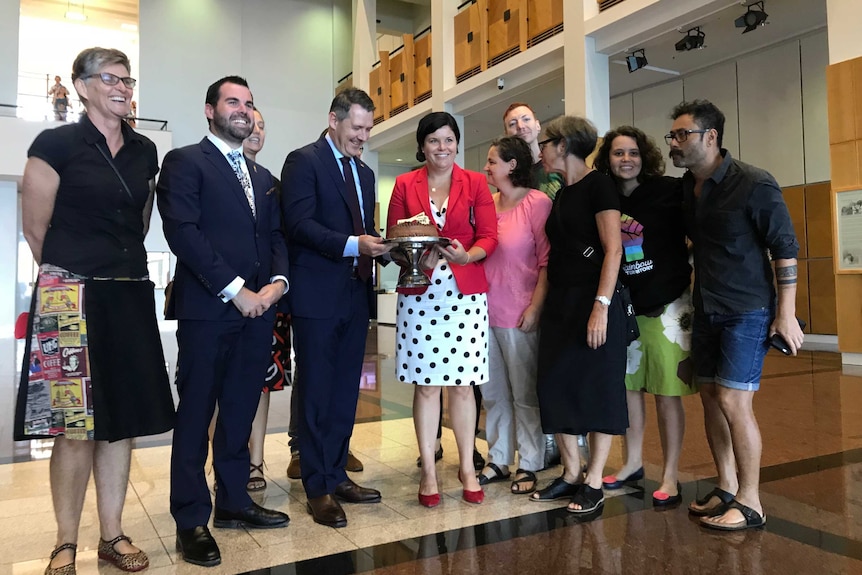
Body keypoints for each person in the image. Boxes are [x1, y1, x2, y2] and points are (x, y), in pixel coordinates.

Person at [15, 47, 175, 575]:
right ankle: (65, 541)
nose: (123, 88)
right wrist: (70, 277)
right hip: (69, 294)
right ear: (81, 87)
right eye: (110, 79)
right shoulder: (54, 144)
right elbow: (36, 229)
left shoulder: (145, 150)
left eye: (128, 80)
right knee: (73, 425)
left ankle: (113, 534)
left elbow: (140, 220)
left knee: (120, 422)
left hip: (128, 292)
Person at [157, 75, 290, 567]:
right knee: (196, 415)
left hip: (259, 313)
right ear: (210, 110)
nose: (244, 110)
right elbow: (184, 234)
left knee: (238, 409)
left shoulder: (262, 177)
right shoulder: (186, 162)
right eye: (233, 101)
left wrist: (276, 286)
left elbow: (276, 236)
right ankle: (191, 519)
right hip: (210, 311)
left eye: (250, 103)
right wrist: (238, 292)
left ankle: (234, 501)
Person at [668, 99, 803, 531]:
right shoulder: (689, 188)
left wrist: (787, 314)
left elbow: (784, 249)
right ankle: (727, 486)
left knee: (732, 399)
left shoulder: (754, 183)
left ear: (711, 137)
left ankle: (751, 501)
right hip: (706, 306)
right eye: (672, 135)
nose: (674, 142)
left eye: (682, 134)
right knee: (709, 395)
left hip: (748, 308)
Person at [281, 87, 390, 528]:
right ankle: (316, 486)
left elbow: (364, 230)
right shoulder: (303, 161)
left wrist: (383, 249)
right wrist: (353, 245)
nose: (363, 136)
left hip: (354, 294)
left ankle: (337, 472)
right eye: (357, 127)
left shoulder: (363, 173)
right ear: (334, 119)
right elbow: (300, 225)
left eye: (368, 129)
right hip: (316, 295)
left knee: (347, 390)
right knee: (316, 390)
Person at [387, 111, 498, 507]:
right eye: (434, 141)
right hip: (421, 293)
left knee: (464, 385)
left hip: (464, 294)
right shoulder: (404, 183)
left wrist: (468, 257)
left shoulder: (475, 182)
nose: (442, 148)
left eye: (449, 140)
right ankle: (429, 473)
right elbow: (395, 238)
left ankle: (467, 467)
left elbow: (490, 235)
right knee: (427, 385)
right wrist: (414, 260)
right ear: (422, 145)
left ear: (457, 143)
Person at [594, 126, 695, 506]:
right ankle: (632, 461)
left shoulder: (668, 191)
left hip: (669, 306)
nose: (626, 160)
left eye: (633, 153)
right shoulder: (604, 200)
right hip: (626, 307)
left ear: (644, 157)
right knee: (629, 390)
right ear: (608, 159)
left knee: (669, 394)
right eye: (618, 153)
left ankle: (670, 474)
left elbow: (694, 235)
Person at [530, 115, 627, 516]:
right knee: (554, 386)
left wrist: (600, 308)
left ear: (563, 144)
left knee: (597, 388)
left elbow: (613, 249)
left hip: (594, 301)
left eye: (545, 142)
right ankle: (570, 472)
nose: (540, 149)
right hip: (561, 304)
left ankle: (593, 481)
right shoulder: (561, 193)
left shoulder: (599, 185)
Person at [479, 136, 550, 495]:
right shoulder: (487, 205)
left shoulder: (537, 204)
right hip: (483, 312)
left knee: (524, 393)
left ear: (512, 165)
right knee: (493, 392)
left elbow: (546, 263)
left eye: (492, 161)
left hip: (520, 311)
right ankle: (498, 457)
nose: (487, 168)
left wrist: (536, 307)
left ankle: (531, 461)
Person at [503, 102, 564, 200]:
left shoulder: (558, 165)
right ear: (507, 135)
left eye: (526, 119)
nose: (520, 126)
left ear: (538, 126)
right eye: (512, 124)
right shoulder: (507, 178)